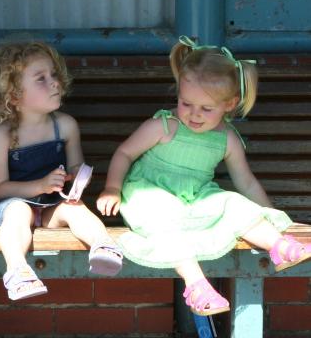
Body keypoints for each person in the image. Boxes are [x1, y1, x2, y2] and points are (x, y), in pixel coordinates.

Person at [96, 36, 311, 316]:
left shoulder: (227, 139)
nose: (194, 114)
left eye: (206, 109)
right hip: (149, 195)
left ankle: (279, 246)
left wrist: (268, 213)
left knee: (232, 203)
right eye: (186, 103)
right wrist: (112, 188)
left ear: (230, 104)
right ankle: (196, 285)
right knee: (166, 221)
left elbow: (245, 182)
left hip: (195, 198)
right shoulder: (165, 125)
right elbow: (125, 153)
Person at [0, 42, 123, 301]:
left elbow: (75, 165)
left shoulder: (65, 126)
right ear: (13, 95)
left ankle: (104, 246)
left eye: (54, 75)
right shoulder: (3, 134)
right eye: (41, 79)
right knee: (18, 213)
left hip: (53, 204)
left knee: (75, 209)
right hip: (13, 203)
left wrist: (78, 178)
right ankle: (17, 271)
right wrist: (40, 186)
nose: (54, 82)